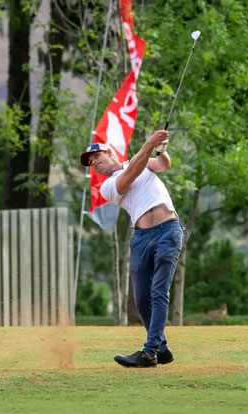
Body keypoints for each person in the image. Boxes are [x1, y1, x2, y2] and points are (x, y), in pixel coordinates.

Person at [80, 130, 183, 368]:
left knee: (159, 291)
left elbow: (163, 165)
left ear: (108, 152)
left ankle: (150, 352)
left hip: (168, 230)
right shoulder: (107, 186)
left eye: (95, 156)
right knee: (142, 297)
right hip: (141, 238)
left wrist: (161, 149)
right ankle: (162, 348)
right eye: (91, 163)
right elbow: (131, 173)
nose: (94, 162)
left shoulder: (138, 161)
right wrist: (149, 144)